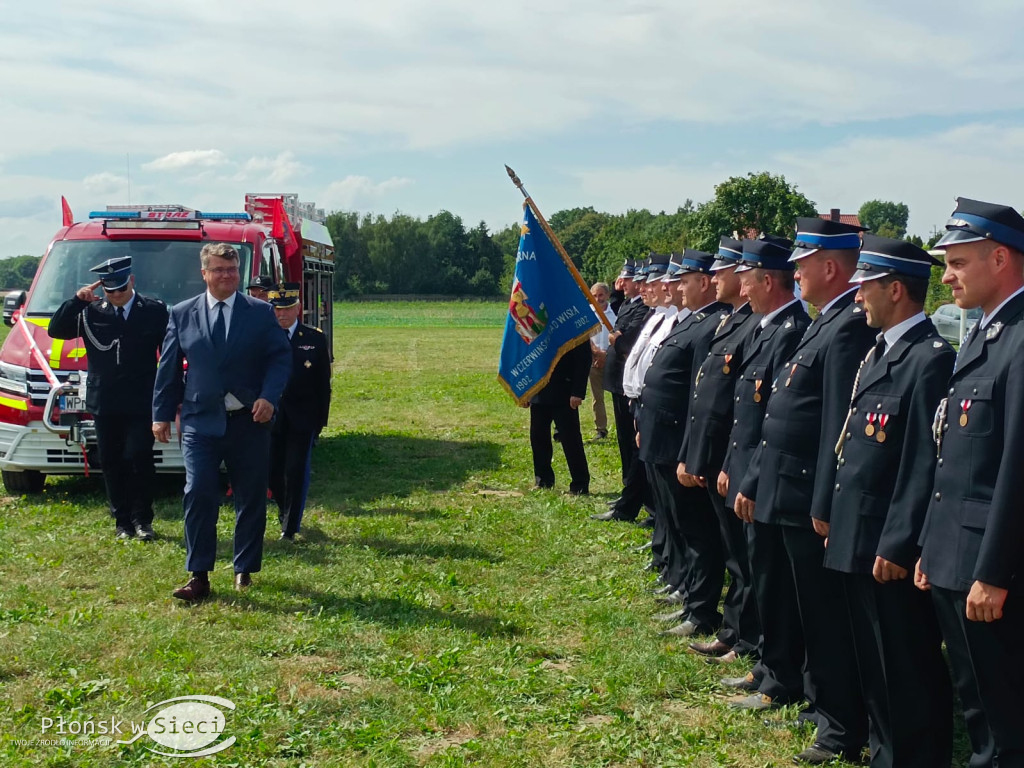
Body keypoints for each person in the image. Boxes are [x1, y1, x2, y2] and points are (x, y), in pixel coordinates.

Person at [733, 218, 874, 764]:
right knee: (808, 609)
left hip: (808, 497)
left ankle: (839, 726)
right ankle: (821, 704)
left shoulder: (846, 329)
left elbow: (835, 427)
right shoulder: (824, 323)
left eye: (802, 263)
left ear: (831, 267)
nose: (794, 271)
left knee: (825, 616)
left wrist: (823, 504)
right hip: (788, 490)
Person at [825, 234, 954, 768]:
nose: (857, 298)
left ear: (896, 290)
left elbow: (924, 462)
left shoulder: (928, 359)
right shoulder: (883, 351)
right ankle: (885, 751)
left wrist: (899, 543)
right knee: (874, 664)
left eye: (866, 288)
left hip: (887, 545)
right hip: (859, 532)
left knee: (904, 665)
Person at [917, 197, 1024, 767]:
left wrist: (992, 572)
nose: (948, 275)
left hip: (992, 571)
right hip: (958, 555)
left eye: (958, 262)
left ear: (1001, 258)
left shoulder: (1020, 339)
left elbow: (1015, 471)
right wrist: (936, 547)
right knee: (979, 708)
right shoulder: (986, 333)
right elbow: (954, 458)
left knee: (1005, 719)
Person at [153, 242, 292, 601]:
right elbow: (168, 368)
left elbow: (280, 358)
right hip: (201, 420)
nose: (226, 276)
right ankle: (198, 574)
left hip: (249, 420)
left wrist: (269, 397)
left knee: (251, 496)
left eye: (231, 270)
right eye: (218, 270)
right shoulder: (182, 313)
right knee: (198, 492)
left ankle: (244, 568)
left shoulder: (260, 312)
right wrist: (161, 414)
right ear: (204, 274)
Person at [718, 235, 810, 692]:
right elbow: (746, 413)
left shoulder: (790, 330)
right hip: (748, 470)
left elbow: (775, 420)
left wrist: (750, 479)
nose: (742, 289)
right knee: (760, 574)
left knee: (773, 582)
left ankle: (778, 673)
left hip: (768, 477)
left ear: (768, 280)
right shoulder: (763, 326)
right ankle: (766, 665)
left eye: (747, 281)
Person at [637, 249, 731, 636]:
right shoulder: (689, 322)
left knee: (695, 529)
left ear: (704, 282)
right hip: (661, 433)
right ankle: (683, 587)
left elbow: (697, 394)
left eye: (685, 281)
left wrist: (689, 450)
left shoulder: (710, 326)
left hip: (677, 438)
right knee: (677, 522)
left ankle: (699, 607)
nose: (677, 287)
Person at [678, 236, 761, 662]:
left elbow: (742, 408)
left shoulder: (752, 325)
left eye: (727, 270)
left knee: (743, 560)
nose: (718, 278)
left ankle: (743, 637)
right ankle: (734, 632)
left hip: (733, 460)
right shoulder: (731, 321)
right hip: (718, 455)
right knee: (733, 555)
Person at [49, 256, 169, 541]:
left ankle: (143, 519)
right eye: (110, 290)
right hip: (105, 400)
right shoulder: (91, 312)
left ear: (132, 282)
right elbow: (56, 330)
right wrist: (77, 301)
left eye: (121, 289)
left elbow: (169, 352)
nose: (116, 296)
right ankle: (122, 522)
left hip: (141, 399)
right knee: (112, 460)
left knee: (139, 457)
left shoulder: (153, 310)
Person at [267, 283, 332, 540]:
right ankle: (284, 510)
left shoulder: (314, 339)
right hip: (270, 418)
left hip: (301, 418)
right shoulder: (264, 337)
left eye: (287, 309)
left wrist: (319, 423)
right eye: (277, 309)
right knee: (273, 474)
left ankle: (290, 527)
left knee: (294, 470)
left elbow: (322, 386)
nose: (282, 314)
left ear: (298, 309)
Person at [593, 257, 654, 522]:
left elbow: (626, 338)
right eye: (631, 281)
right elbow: (617, 313)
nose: (630, 285)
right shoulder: (628, 303)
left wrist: (618, 337)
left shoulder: (644, 308)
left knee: (633, 442)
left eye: (631, 280)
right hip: (619, 380)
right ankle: (628, 489)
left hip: (628, 383)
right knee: (624, 442)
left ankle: (635, 495)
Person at [527, 341, 591, 494]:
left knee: (571, 440)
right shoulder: (536, 322)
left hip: (565, 390)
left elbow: (583, 358)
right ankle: (543, 480)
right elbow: (528, 356)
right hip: (539, 389)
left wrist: (578, 391)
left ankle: (580, 484)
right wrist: (526, 391)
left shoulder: (572, 320)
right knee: (538, 437)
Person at [588, 282, 617, 439]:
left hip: (612, 359)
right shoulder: (588, 313)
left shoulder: (616, 313)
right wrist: (596, 352)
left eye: (601, 295)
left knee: (618, 395)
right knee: (597, 396)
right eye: (594, 295)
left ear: (607, 295)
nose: (598, 299)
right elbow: (586, 336)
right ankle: (601, 428)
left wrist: (606, 354)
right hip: (594, 359)